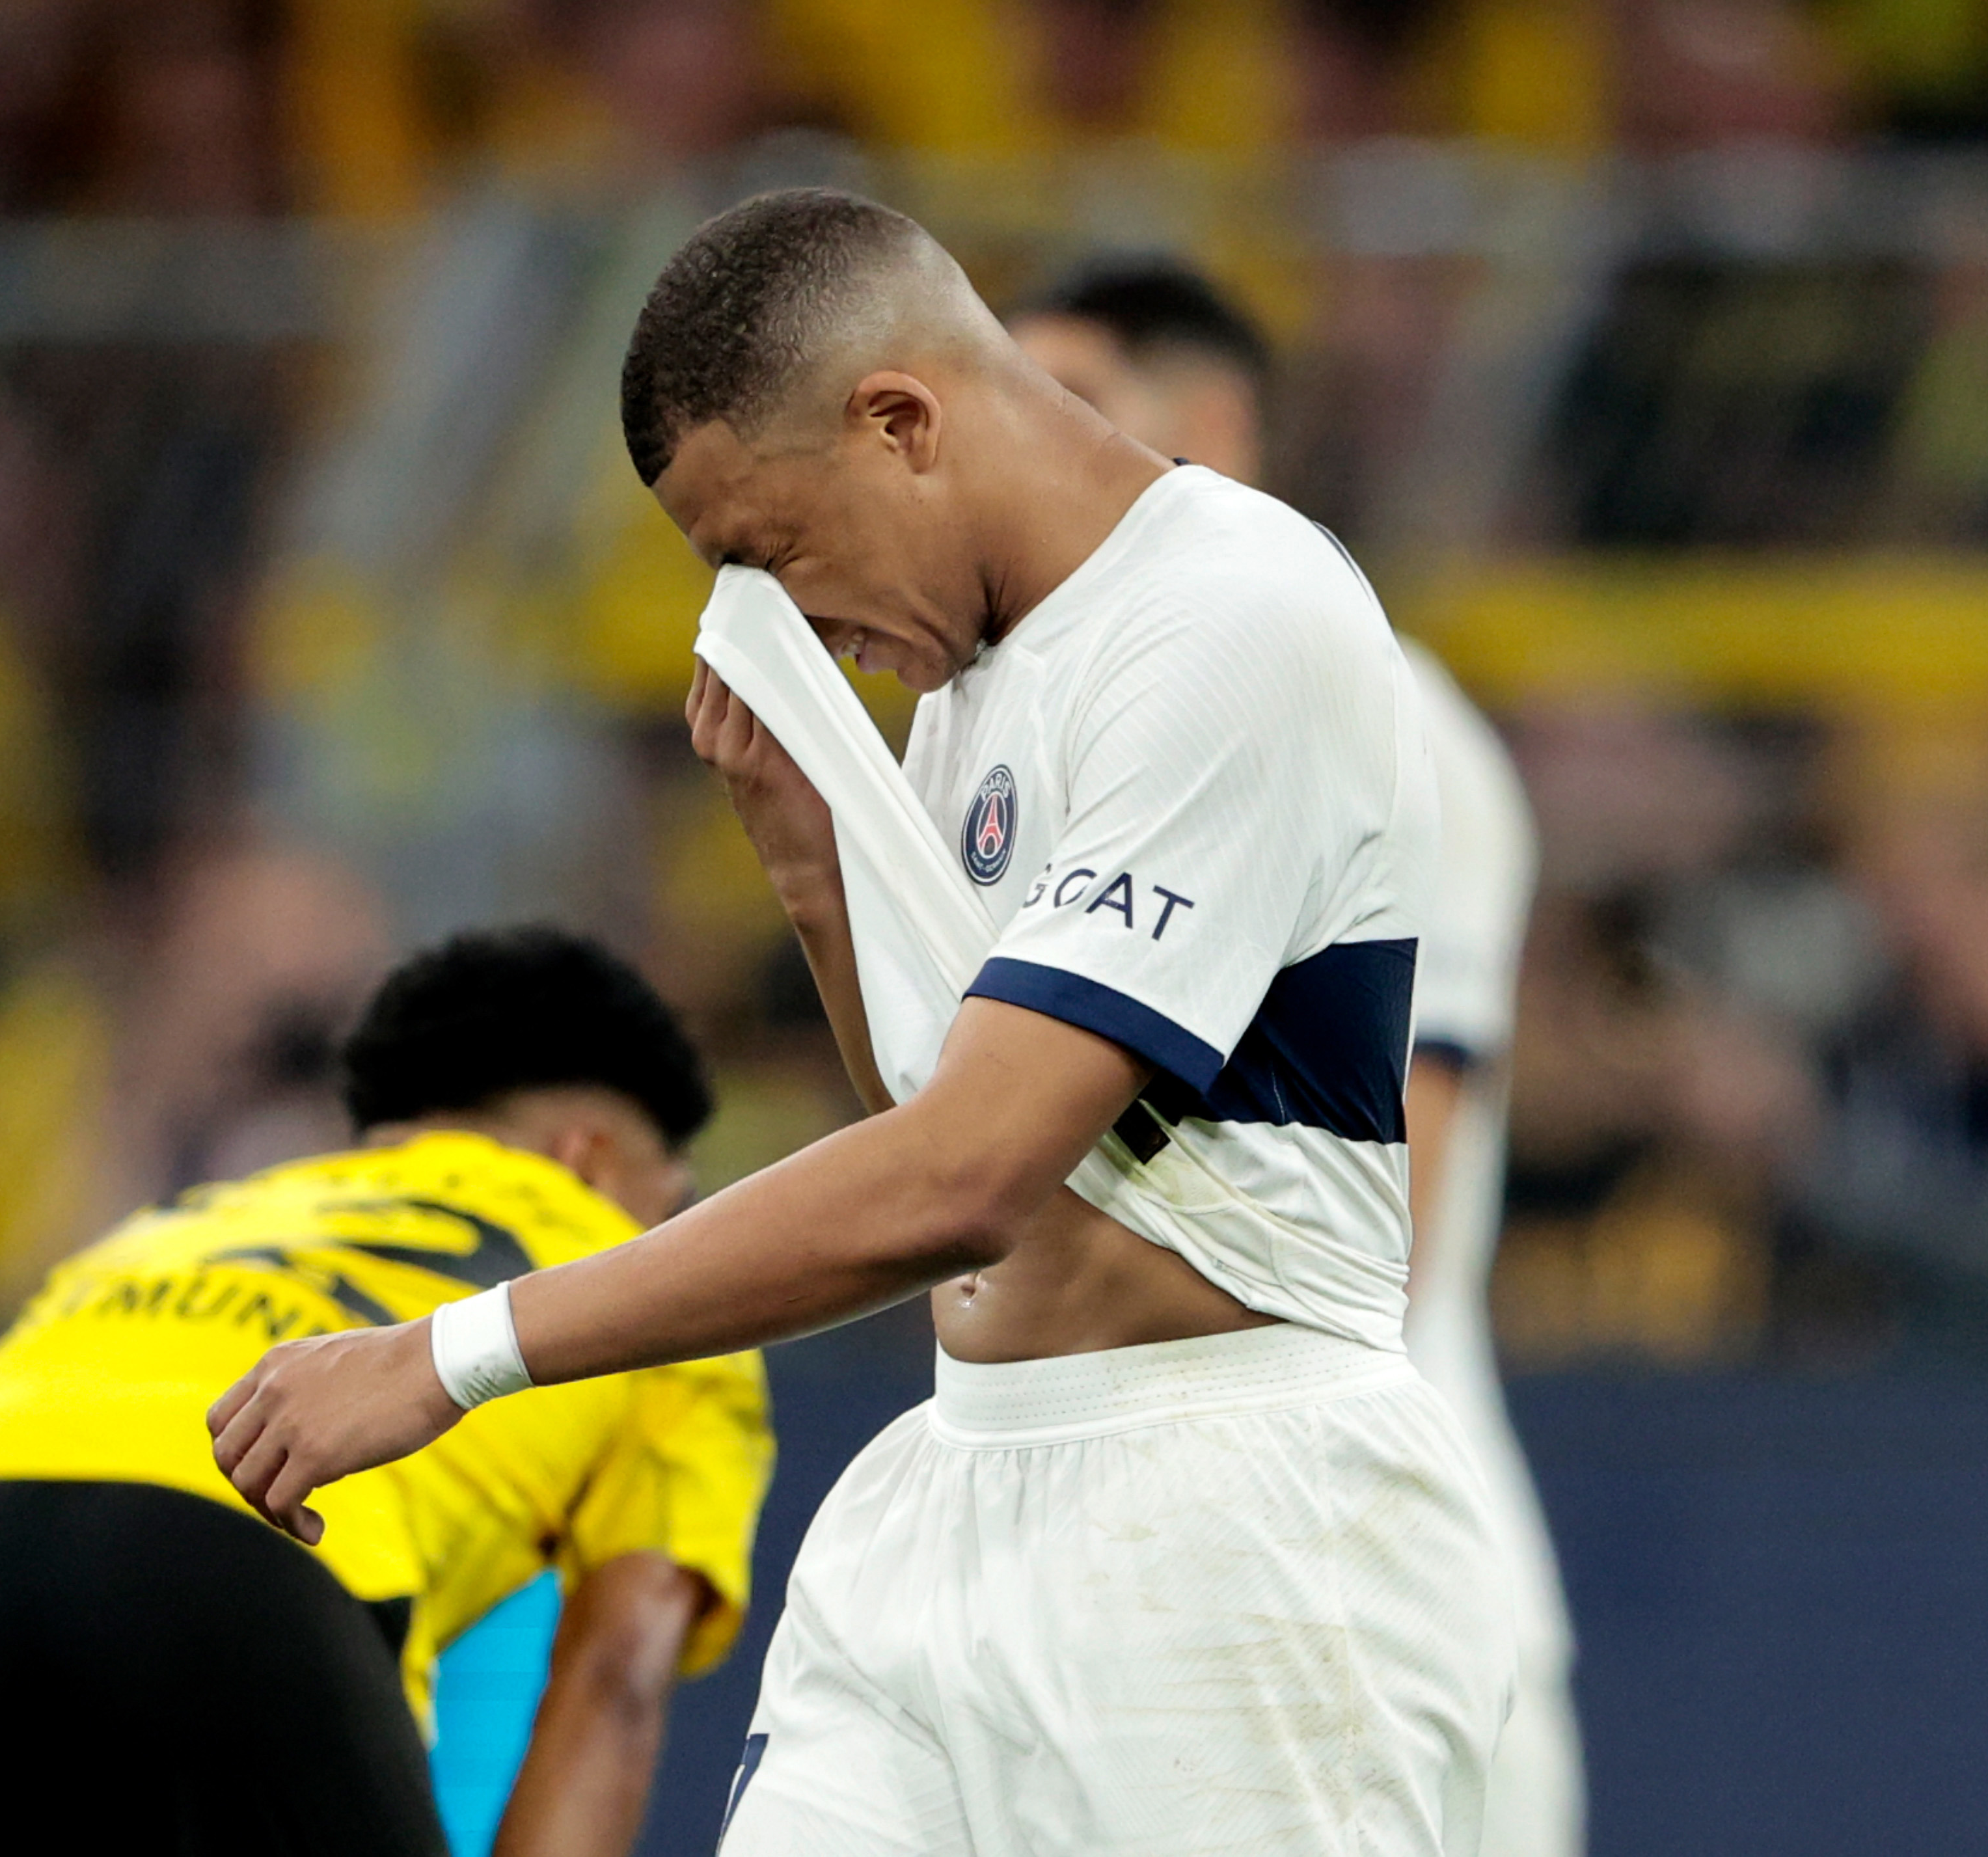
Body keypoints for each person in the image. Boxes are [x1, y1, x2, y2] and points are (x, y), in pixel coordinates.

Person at [210, 189, 1510, 1856]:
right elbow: (964, 1139)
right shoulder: (970, 681)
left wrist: (457, 1353)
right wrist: (820, 878)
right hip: (960, 1486)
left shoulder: (1227, 616)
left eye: (768, 551)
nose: (781, 617)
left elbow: (963, 1173)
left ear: (897, 423)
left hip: (1239, 1517)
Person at [1009, 253, 1583, 1857]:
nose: (1020, 449)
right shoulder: (1064, 724)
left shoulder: (1387, 718)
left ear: (1208, 430)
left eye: (1072, 404)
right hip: (1152, 1563)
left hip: (1354, 1581)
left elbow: (1383, 1191)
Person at [0, 927, 774, 1857]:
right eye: (669, 1193)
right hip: (243, 1559)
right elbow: (616, 1670)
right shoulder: (654, 1289)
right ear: (589, 1156)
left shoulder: (193, 1216)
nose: (666, 1221)